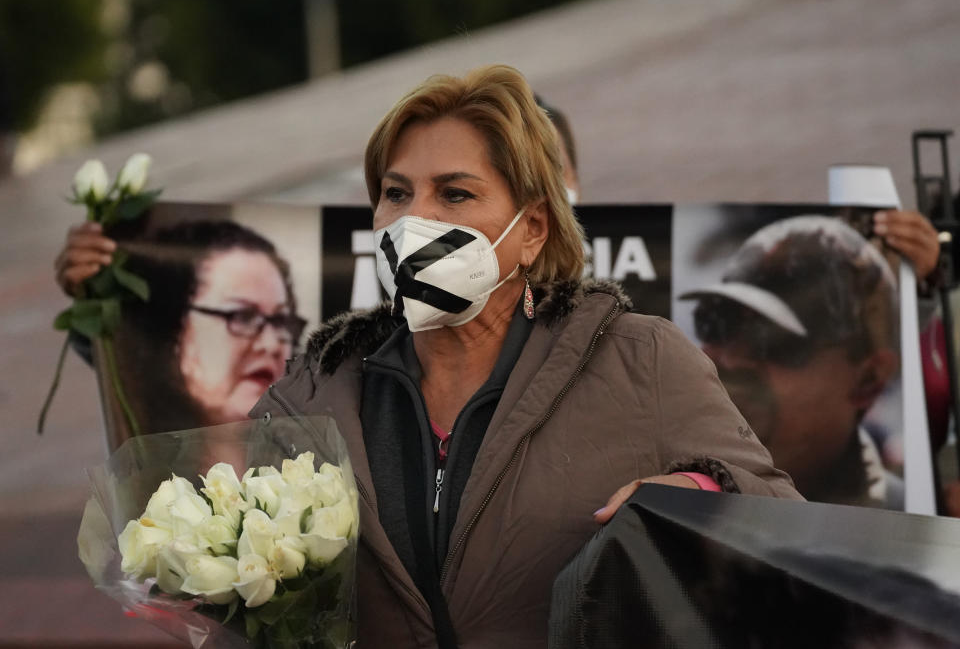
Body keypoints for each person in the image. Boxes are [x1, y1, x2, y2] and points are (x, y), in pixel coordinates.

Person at [250, 64, 800, 648]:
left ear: (533, 228)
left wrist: (696, 497)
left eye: (455, 193)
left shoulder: (641, 361)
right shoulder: (311, 393)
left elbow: (783, 517)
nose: (414, 221)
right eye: (396, 193)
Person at [681, 215, 902, 508]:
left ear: (868, 380)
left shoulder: (900, 525)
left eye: (774, 341)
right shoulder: (670, 502)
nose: (731, 358)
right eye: (717, 322)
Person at [55, 219, 305, 436]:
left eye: (281, 321)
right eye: (242, 317)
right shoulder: (149, 479)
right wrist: (92, 285)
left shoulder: (324, 466)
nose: (272, 344)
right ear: (174, 332)